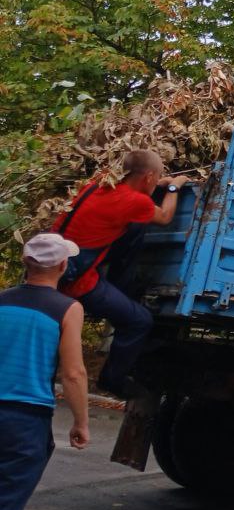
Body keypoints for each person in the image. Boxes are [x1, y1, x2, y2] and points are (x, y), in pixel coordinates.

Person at [54, 150, 189, 398]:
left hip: (53, 269)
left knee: (135, 226)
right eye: (157, 176)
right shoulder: (134, 203)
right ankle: (112, 380)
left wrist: (154, 182)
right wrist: (173, 187)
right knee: (139, 321)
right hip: (77, 281)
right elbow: (166, 216)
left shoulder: (95, 185)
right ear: (148, 177)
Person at [0, 233, 89, 510]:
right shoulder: (67, 309)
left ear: (26, 262)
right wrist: (81, 422)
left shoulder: (1, 299)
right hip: (25, 422)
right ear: (63, 265)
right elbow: (73, 373)